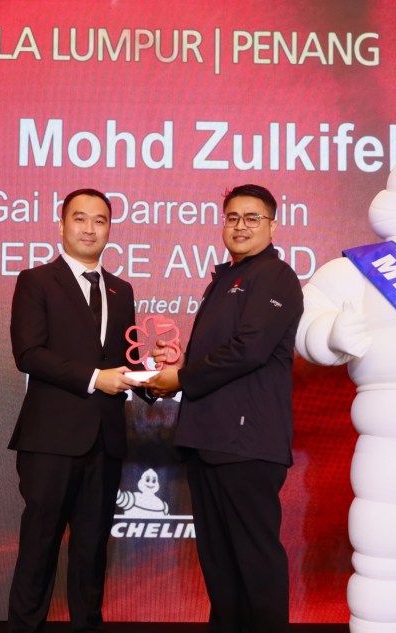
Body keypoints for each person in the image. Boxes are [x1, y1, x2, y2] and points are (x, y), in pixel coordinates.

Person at [147, 184, 303, 633]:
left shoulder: (275, 275)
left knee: (254, 563)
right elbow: (221, 354)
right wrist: (178, 366)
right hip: (208, 439)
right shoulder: (225, 278)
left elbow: (249, 350)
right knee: (220, 567)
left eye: (252, 218)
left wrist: (182, 378)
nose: (240, 226)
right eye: (232, 217)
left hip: (246, 443)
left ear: (273, 226)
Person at [7, 188, 144, 633]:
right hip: (51, 438)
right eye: (80, 219)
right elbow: (29, 353)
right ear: (62, 224)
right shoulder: (36, 280)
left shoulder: (122, 290)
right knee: (39, 549)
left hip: (105, 439)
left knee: (91, 553)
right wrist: (94, 378)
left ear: (110, 229)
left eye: (100, 220)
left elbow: (125, 363)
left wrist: (155, 374)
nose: (90, 228)